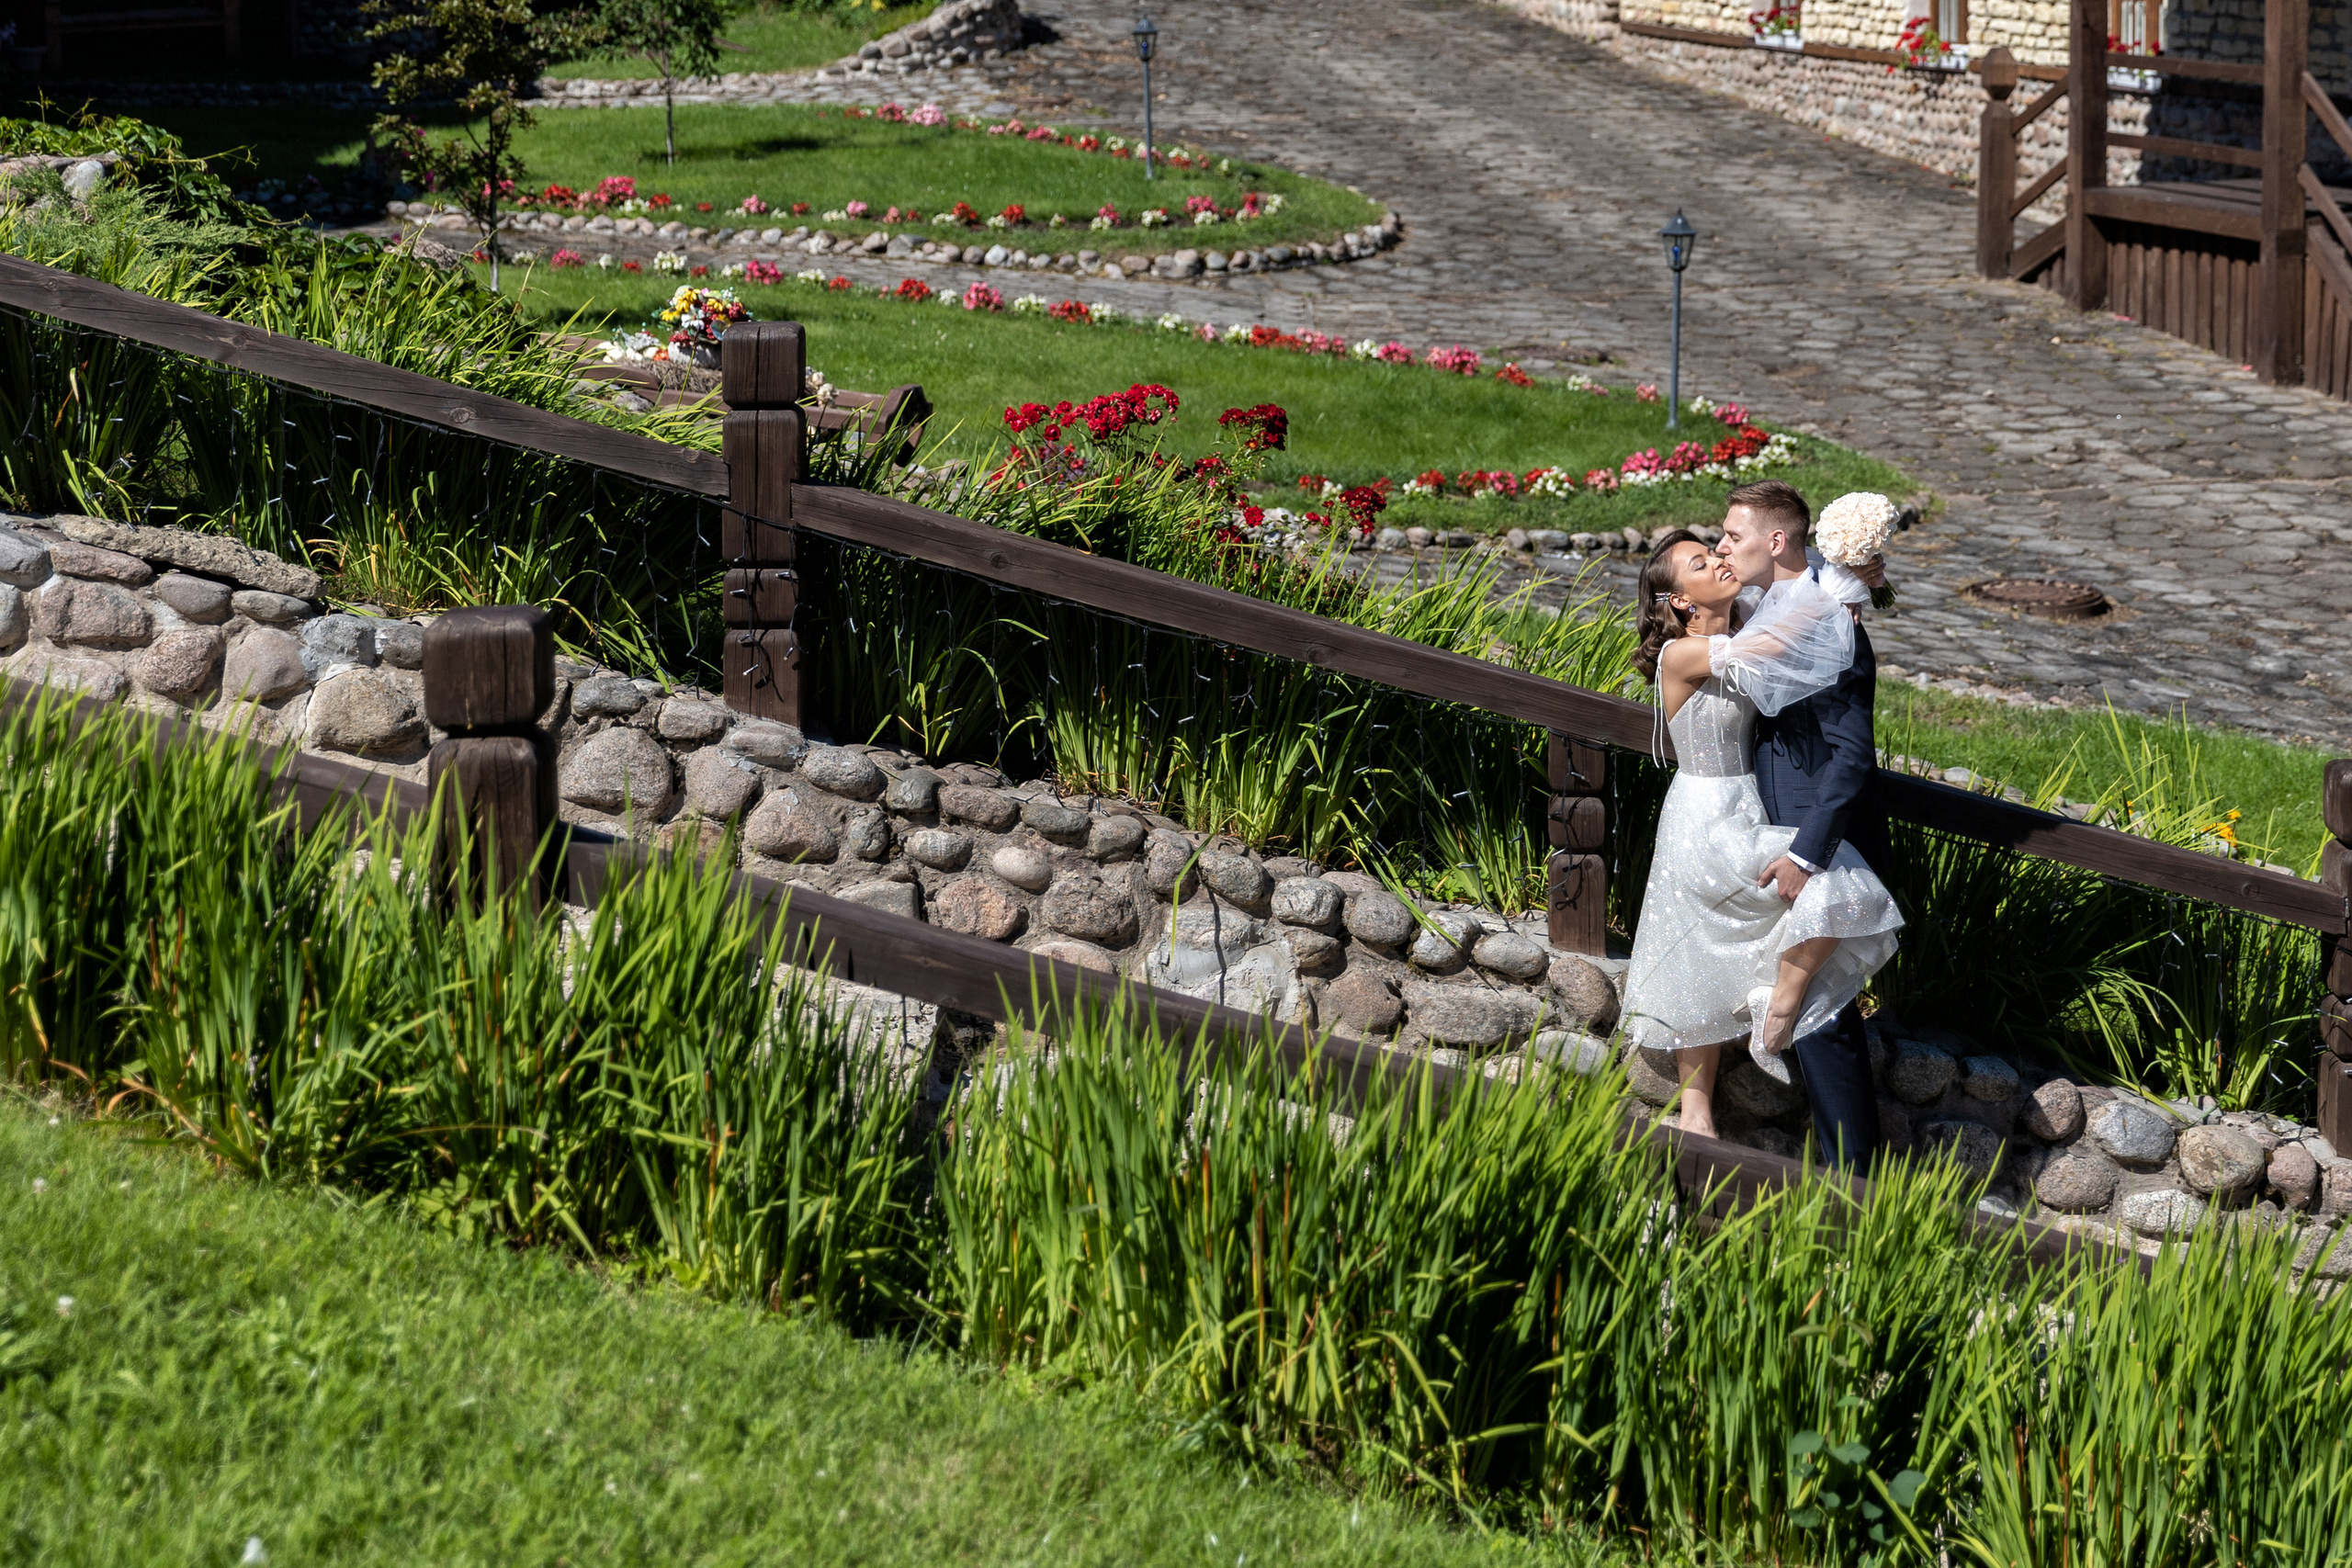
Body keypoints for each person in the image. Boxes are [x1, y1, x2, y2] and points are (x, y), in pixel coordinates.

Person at [1618, 525, 1902, 1163]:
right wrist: (1838, 591)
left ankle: (1776, 1001)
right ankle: (1708, 1102)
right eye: (1701, 560)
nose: (1720, 558)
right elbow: (1774, 643)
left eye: (1718, 549)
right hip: (1704, 816)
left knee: (1715, 937)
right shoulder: (1682, 655)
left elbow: (1781, 607)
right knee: (1829, 879)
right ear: (1679, 603)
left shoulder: (1740, 618)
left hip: (1744, 807)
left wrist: (1844, 576)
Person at [1714, 479, 1894, 1168]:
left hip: (1818, 838)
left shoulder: (1828, 620)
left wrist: (1808, 854)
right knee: (1810, 1004)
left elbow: (1851, 757)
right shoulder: (1771, 603)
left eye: (1735, 533)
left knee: (1823, 1015)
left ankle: (1856, 1182)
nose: (1723, 544)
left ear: (1777, 541)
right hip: (1768, 822)